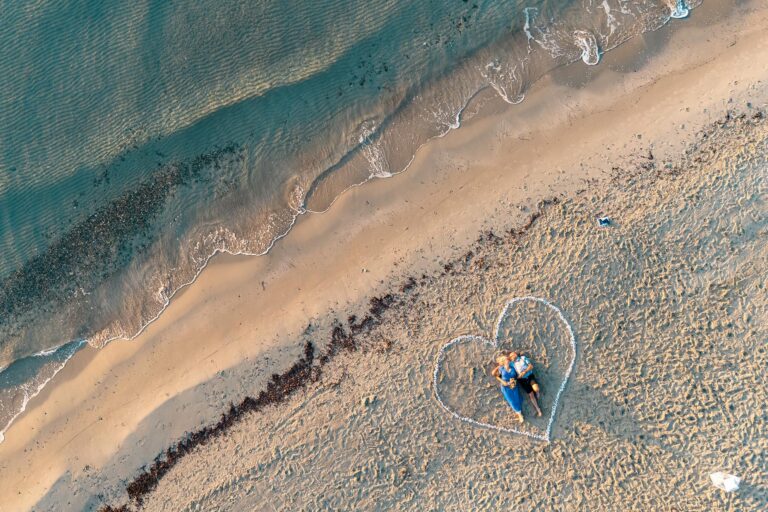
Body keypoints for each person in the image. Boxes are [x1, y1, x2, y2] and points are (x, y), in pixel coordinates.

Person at [491, 353, 524, 423]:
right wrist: (502, 381)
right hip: (505, 387)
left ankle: (518, 413)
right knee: (511, 400)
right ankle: (520, 415)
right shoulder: (501, 368)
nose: (508, 359)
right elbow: (493, 374)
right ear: (503, 361)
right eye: (506, 359)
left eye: (508, 359)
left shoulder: (513, 368)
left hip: (513, 385)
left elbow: (517, 376)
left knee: (517, 399)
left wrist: (515, 380)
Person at [509, 351, 543, 417]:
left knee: (536, 389)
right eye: (510, 357)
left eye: (512, 355)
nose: (511, 357)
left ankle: (537, 392)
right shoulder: (512, 364)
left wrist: (524, 372)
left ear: (515, 354)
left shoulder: (522, 358)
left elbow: (531, 366)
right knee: (531, 395)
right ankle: (538, 409)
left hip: (530, 376)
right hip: (522, 380)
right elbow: (505, 365)